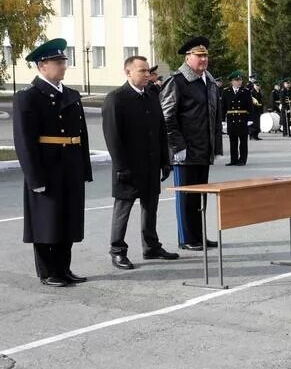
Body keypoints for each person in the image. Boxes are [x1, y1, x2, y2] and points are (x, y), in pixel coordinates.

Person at [12, 38, 93, 286]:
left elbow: (82, 134)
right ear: (42, 66)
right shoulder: (29, 97)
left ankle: (64, 268)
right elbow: (24, 141)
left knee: (68, 218)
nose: (63, 66)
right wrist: (34, 177)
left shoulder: (70, 94)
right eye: (57, 62)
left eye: (63, 61)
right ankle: (48, 271)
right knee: (47, 220)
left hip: (70, 164)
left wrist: (84, 168)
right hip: (47, 166)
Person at [102, 55, 179, 270]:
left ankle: (151, 246)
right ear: (128, 73)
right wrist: (121, 167)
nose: (148, 75)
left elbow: (160, 130)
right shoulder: (116, 98)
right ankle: (117, 250)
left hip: (151, 164)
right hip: (128, 167)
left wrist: (165, 160)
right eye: (142, 71)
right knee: (123, 208)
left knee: (150, 207)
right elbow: (113, 138)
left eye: (148, 71)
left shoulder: (152, 94)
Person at [160, 35, 222, 251]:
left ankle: (199, 235)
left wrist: (215, 147)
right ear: (188, 58)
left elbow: (213, 115)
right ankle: (187, 237)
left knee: (200, 195)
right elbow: (167, 117)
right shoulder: (177, 81)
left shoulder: (209, 81)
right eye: (199, 56)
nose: (203, 60)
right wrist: (178, 147)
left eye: (205, 55)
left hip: (203, 149)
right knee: (186, 197)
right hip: (185, 150)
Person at [221, 71, 253, 166]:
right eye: (237, 80)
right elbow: (223, 107)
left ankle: (242, 160)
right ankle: (233, 159)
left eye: (240, 80)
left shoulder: (246, 91)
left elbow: (250, 106)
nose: (239, 82)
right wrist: (222, 120)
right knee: (233, 141)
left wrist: (250, 119)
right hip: (231, 119)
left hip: (243, 119)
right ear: (232, 81)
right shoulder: (226, 92)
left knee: (243, 142)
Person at [247, 76, 263, 140]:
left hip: (258, 110)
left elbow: (261, 102)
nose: (258, 87)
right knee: (253, 123)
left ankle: (256, 135)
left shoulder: (259, 93)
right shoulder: (251, 92)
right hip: (253, 110)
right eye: (256, 85)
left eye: (258, 86)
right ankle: (252, 136)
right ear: (254, 85)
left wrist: (261, 110)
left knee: (257, 123)